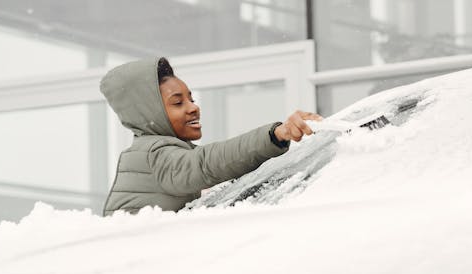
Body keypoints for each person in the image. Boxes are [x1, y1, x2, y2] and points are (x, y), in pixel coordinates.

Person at [100, 57, 321, 215]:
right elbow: (207, 164)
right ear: (148, 112)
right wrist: (275, 134)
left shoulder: (166, 153)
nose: (193, 108)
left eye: (192, 99)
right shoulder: (154, 154)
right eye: (178, 102)